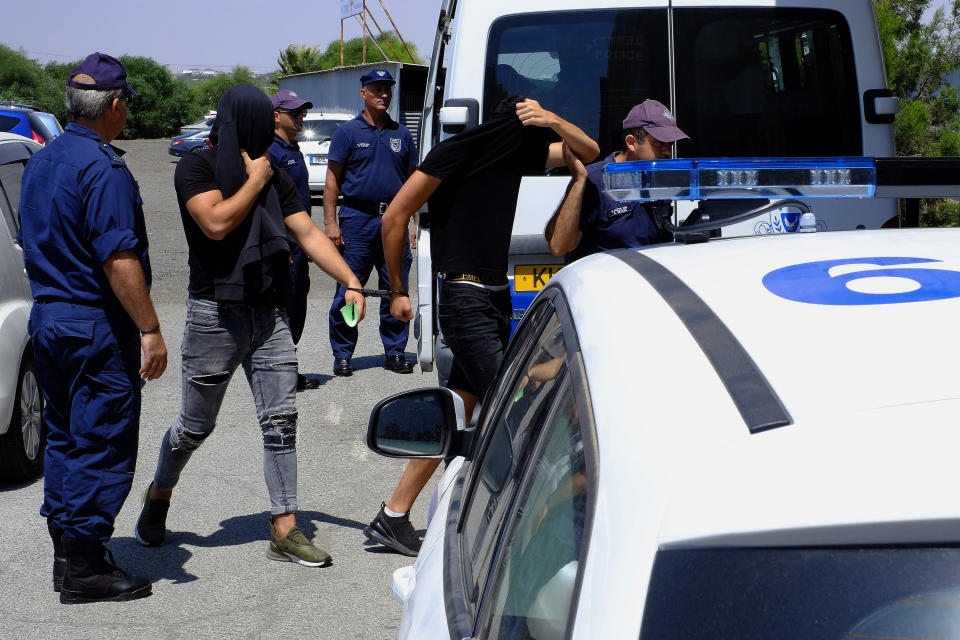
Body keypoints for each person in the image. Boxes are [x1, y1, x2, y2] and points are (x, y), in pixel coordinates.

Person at [134, 84, 367, 568]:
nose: (269, 127)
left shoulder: (274, 173)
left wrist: (350, 280)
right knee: (195, 427)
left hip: (270, 314)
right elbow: (216, 222)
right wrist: (255, 181)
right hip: (213, 316)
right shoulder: (195, 168)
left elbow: (305, 231)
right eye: (261, 119)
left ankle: (285, 528)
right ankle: (159, 492)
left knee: (281, 421)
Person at [364, 96, 599, 556]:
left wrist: (554, 117)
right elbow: (393, 217)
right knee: (519, 403)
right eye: (536, 127)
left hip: (494, 297)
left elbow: (587, 152)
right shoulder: (455, 153)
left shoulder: (514, 151)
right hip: (465, 298)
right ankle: (519, 536)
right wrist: (397, 289)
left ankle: (393, 516)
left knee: (459, 409)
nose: (542, 140)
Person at [18, 52, 167, 604]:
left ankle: (69, 551)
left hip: (52, 318)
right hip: (92, 322)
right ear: (116, 105)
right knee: (101, 440)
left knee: (64, 436)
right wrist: (149, 329)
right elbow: (118, 258)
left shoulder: (45, 158)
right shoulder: (102, 168)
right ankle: (83, 568)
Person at [323, 69, 418, 377]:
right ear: (363, 93)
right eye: (377, 89)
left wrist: (415, 222)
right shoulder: (347, 133)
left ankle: (394, 351)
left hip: (394, 220)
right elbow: (332, 182)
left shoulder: (401, 134)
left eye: (388, 89)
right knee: (350, 288)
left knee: (395, 286)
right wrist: (330, 224)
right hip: (356, 220)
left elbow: (414, 182)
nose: (384, 94)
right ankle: (343, 353)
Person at [544, 99, 689, 262]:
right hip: (603, 282)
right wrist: (579, 181)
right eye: (659, 143)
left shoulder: (658, 179)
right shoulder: (595, 179)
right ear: (631, 142)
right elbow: (559, 246)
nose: (667, 152)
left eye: (670, 145)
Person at [269, 89, 319, 391]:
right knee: (282, 309)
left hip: (299, 246)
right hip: (283, 247)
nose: (301, 117)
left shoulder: (293, 147)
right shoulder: (270, 152)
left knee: (297, 305)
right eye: (295, 112)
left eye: (302, 112)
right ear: (276, 116)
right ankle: (279, 373)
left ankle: (288, 369)